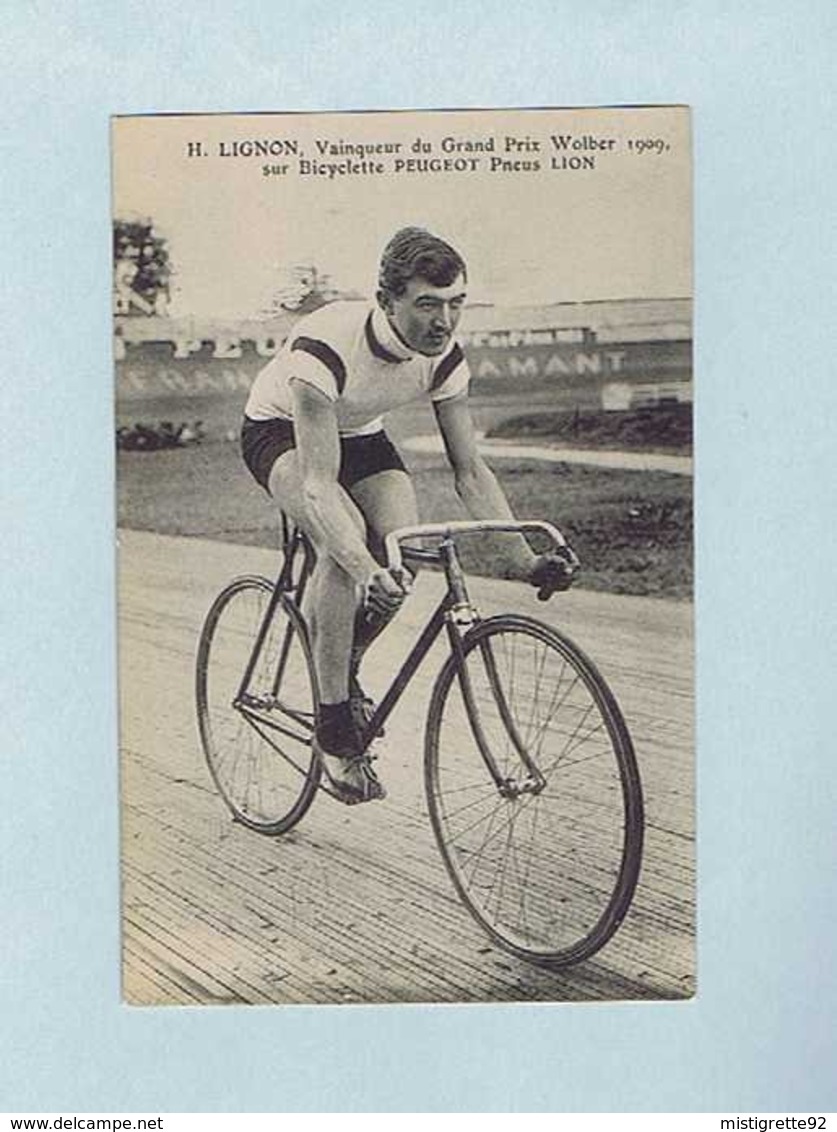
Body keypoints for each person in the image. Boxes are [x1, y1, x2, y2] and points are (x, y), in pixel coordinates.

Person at [241, 227, 578, 804]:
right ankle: (334, 727)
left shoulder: (444, 358)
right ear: (386, 300)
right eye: (427, 304)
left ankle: (341, 657)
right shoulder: (325, 345)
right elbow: (320, 487)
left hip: (362, 435)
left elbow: (470, 473)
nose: (443, 322)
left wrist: (524, 560)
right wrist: (362, 564)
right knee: (342, 554)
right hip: (280, 433)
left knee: (410, 549)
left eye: (455, 304)